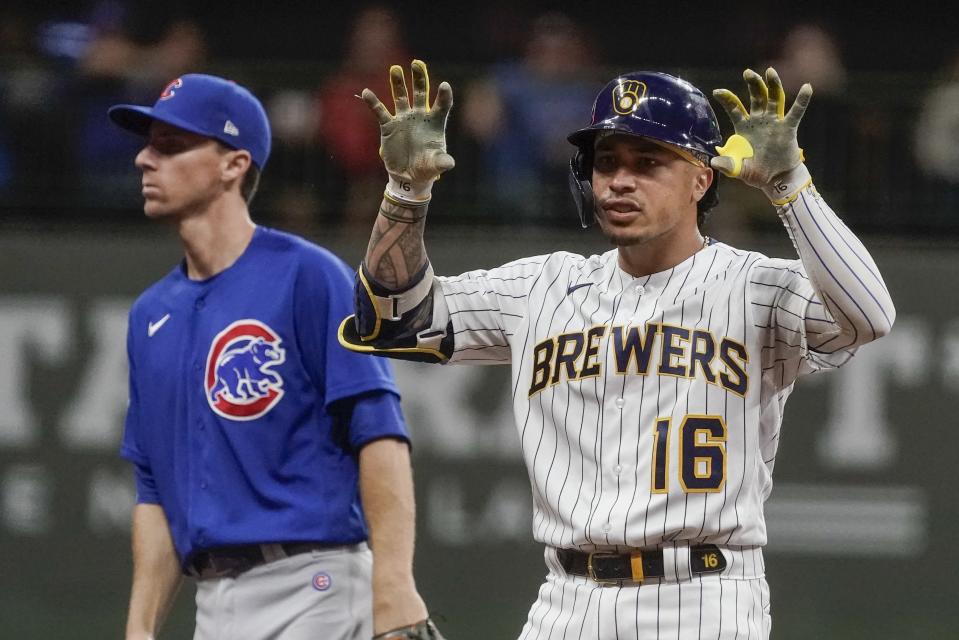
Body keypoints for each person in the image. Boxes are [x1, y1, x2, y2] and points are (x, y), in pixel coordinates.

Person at [339, 60, 896, 638]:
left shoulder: (752, 285)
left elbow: (868, 316)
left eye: (648, 162)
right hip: (566, 601)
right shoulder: (542, 287)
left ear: (701, 179)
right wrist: (406, 191)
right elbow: (396, 320)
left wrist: (789, 185)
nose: (620, 181)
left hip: (703, 598)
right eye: (607, 162)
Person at [109, 73, 442, 640]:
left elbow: (379, 434)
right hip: (213, 604)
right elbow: (154, 491)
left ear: (232, 165)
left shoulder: (307, 276)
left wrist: (393, 585)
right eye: (147, 144)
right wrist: (139, 629)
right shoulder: (150, 315)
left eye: (170, 145)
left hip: (316, 585)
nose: (145, 159)